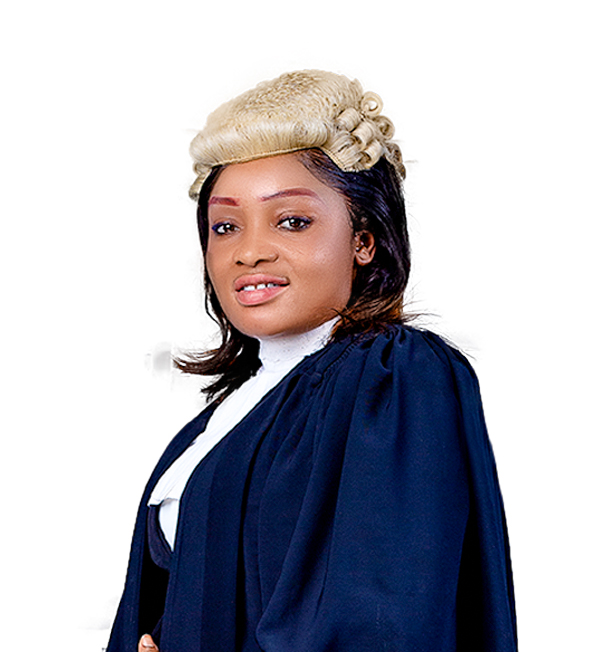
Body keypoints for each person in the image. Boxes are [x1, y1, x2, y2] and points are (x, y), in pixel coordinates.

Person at [107, 70, 518, 652]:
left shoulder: (394, 378)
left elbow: (382, 623)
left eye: (292, 221)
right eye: (225, 227)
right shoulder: (225, 417)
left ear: (364, 240)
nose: (249, 251)